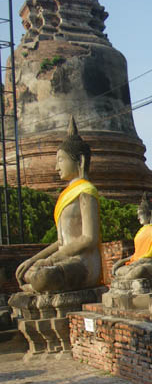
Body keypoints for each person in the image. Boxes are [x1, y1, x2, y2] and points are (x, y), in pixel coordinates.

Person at [16, 117, 101, 293]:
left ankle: (36, 286)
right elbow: (61, 242)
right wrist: (33, 260)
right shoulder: (68, 194)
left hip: (82, 264)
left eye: (61, 160)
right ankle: (35, 283)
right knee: (27, 271)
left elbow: (89, 238)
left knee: (43, 276)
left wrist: (49, 261)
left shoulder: (86, 191)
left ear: (81, 161)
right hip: (64, 260)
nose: (56, 167)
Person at [112, 193, 152, 280]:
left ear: (150, 213)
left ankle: (124, 281)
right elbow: (137, 254)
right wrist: (122, 261)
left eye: (140, 214)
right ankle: (126, 280)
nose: (138, 218)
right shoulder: (139, 232)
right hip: (137, 263)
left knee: (139, 271)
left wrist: (137, 262)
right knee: (119, 270)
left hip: (150, 265)